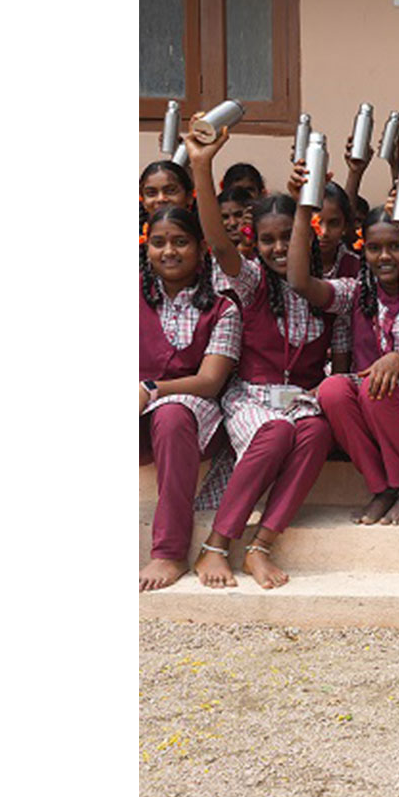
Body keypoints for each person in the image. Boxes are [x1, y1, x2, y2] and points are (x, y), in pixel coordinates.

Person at [187, 123, 339, 589]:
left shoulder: (325, 291)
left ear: (305, 237)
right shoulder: (250, 282)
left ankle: (261, 545)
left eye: (286, 237)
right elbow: (217, 243)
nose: (277, 248)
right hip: (252, 398)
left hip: (302, 401)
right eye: (268, 239)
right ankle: (215, 545)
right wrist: (201, 162)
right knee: (274, 433)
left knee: (315, 431)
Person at [292, 207, 399, 526]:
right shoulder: (356, 293)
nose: (384, 256)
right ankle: (382, 488)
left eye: (395, 246)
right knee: (333, 389)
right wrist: (304, 213)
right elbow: (302, 283)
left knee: (377, 387)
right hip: (370, 405)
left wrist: (398, 362)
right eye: (375, 248)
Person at [139, 205, 240, 591]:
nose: (169, 252)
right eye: (158, 243)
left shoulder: (222, 306)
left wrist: (151, 390)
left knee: (172, 415)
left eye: (181, 242)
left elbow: (210, 381)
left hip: (193, 417)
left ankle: (169, 551)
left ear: (201, 249)